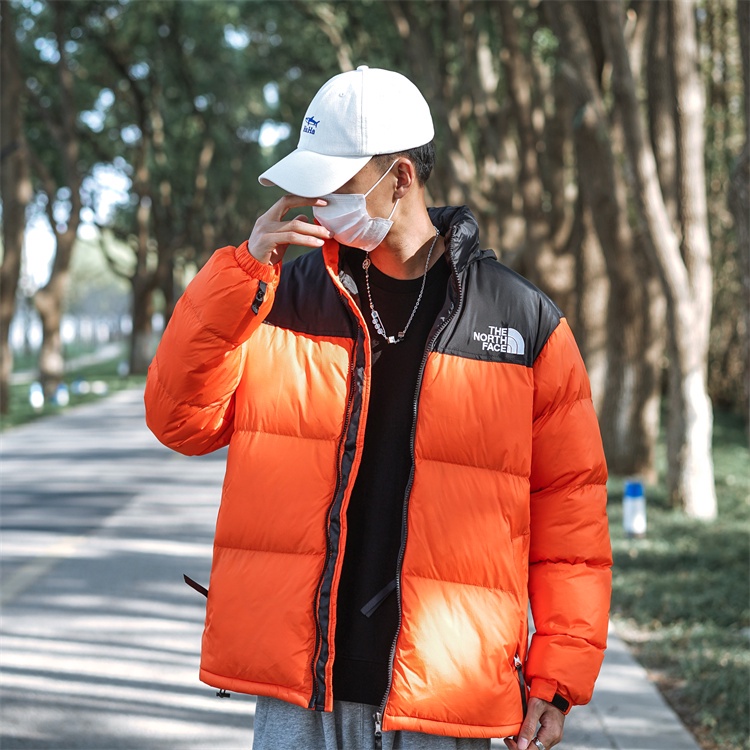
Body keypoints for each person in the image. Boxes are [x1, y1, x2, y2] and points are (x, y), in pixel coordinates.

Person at [144, 65, 612, 750]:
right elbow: (179, 422)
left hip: (445, 686)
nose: (320, 202)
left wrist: (559, 674)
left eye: (337, 183)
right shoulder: (276, 296)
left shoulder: (522, 320)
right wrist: (239, 275)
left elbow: (570, 512)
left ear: (400, 177)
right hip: (300, 682)